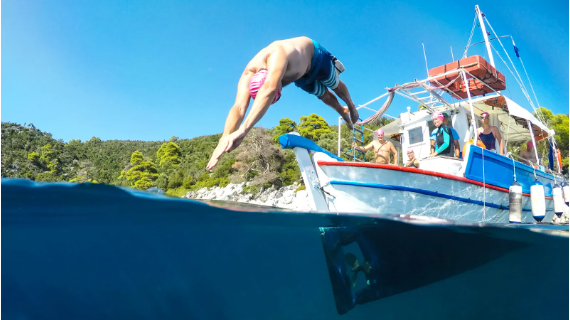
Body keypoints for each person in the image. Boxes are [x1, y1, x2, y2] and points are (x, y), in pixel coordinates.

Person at [206, 37, 359, 169]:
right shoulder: (249, 73)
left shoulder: (276, 53)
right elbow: (239, 107)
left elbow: (269, 88)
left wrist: (243, 130)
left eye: (277, 93)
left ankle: (350, 106)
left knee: (334, 84)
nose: (280, 90)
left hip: (314, 57)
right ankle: (342, 111)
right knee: (323, 96)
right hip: (300, 74)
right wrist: (224, 137)